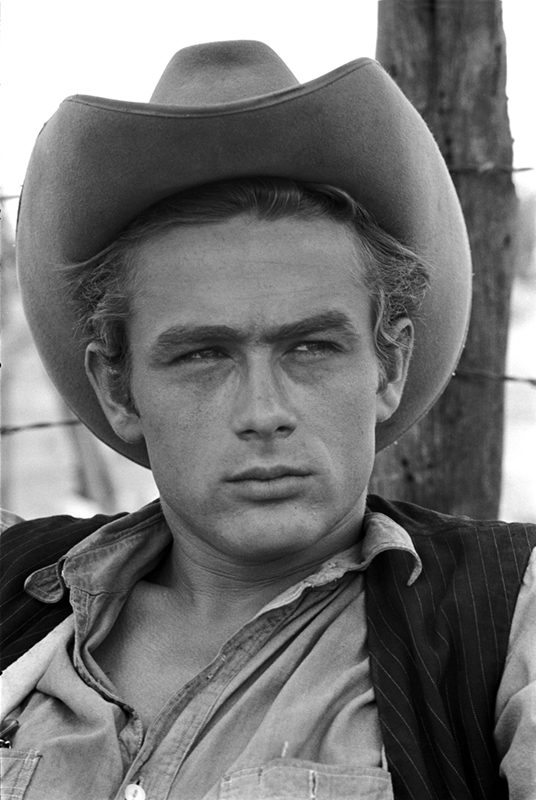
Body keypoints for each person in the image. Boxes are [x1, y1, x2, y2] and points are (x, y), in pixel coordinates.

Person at [1, 41, 534, 800]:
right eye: (202, 356)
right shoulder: (15, 589)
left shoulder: (506, 616)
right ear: (119, 390)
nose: (264, 413)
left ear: (388, 367)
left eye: (311, 347)